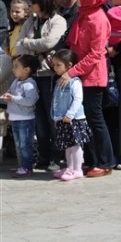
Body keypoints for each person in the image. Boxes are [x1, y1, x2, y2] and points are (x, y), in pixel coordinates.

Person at [63, 0, 115, 178]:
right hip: (80, 74)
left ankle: (105, 161)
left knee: (96, 120)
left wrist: (71, 71)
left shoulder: (98, 18)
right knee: (84, 121)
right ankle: (92, 160)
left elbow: (96, 53)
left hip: (92, 76)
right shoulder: (83, 14)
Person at [16, 0, 67, 171]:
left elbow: (49, 42)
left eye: (34, 1)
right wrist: (28, 45)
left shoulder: (58, 21)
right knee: (38, 119)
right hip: (33, 76)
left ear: (44, 1)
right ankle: (44, 156)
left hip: (49, 75)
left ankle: (57, 156)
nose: (31, 5)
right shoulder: (31, 21)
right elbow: (17, 46)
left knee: (52, 117)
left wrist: (29, 44)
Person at [50, 49, 92, 181]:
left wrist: (70, 114)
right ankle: (70, 167)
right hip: (63, 119)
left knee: (76, 145)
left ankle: (77, 169)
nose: (55, 68)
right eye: (54, 65)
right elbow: (56, 101)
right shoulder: (58, 81)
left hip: (74, 119)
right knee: (68, 145)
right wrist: (56, 117)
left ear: (69, 65)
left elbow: (78, 100)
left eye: (58, 65)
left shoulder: (75, 82)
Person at [1, 55, 39, 178]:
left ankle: (27, 167)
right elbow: (11, 96)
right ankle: (23, 166)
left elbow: (30, 101)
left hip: (25, 120)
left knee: (25, 145)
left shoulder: (30, 84)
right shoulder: (16, 82)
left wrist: (13, 98)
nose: (13, 69)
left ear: (27, 69)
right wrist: (7, 98)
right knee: (19, 145)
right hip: (15, 118)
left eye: (16, 66)